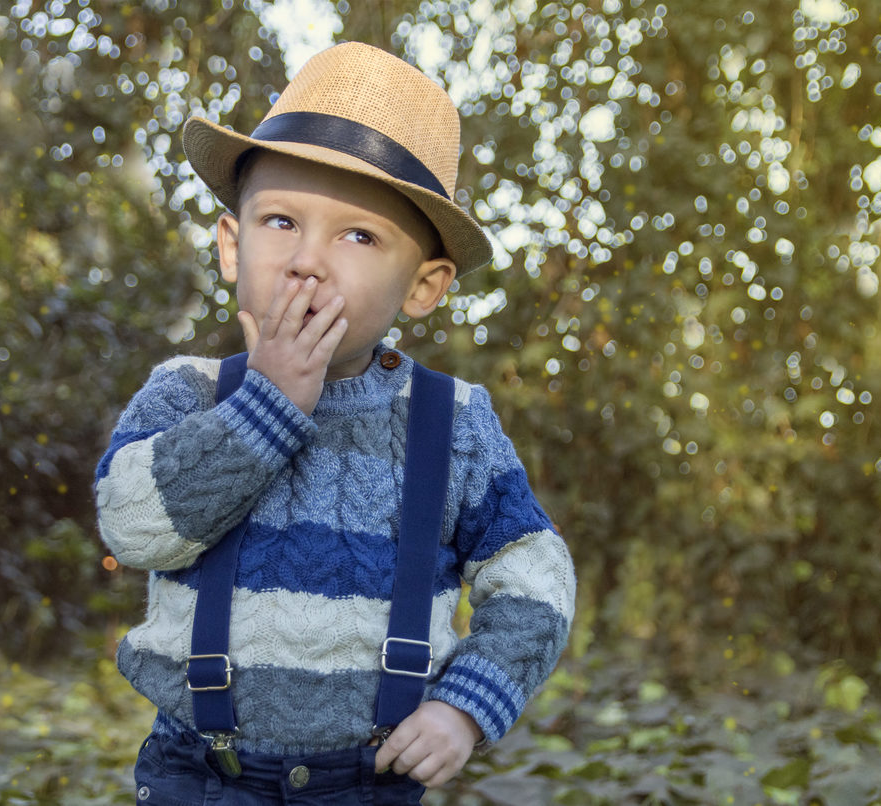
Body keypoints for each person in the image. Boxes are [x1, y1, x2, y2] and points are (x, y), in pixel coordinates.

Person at [95, 41, 575, 805]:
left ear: (423, 286)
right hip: (202, 772)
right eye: (281, 221)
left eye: (358, 236)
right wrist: (267, 405)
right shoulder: (189, 393)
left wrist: (464, 706)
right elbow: (132, 527)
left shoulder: (451, 424)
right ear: (232, 245)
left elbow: (536, 576)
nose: (307, 262)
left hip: (369, 779)